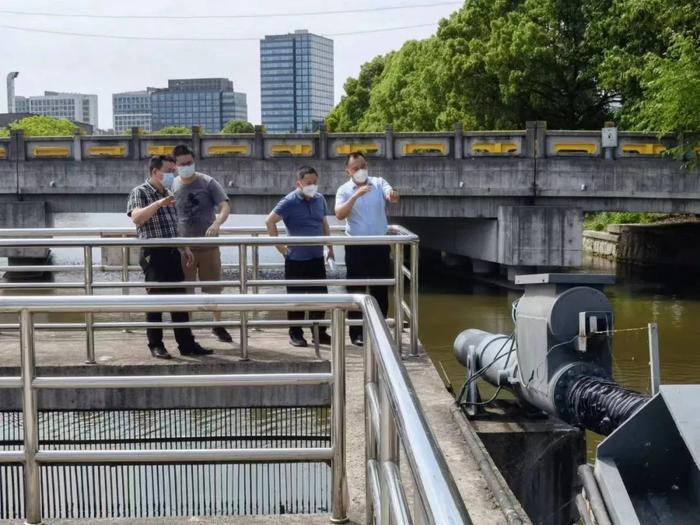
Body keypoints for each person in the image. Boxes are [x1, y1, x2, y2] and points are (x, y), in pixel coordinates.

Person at [126, 155, 213, 359]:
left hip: (173, 250)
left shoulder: (168, 192)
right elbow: (137, 218)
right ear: (156, 172)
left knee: (178, 299)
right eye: (168, 170)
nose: (172, 174)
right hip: (154, 252)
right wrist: (159, 203)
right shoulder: (140, 192)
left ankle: (186, 343)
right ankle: (156, 344)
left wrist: (185, 247)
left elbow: (174, 226)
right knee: (156, 300)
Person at [265, 166, 335, 347]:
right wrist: (280, 247)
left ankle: (319, 332)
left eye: (314, 182)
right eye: (308, 183)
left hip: (316, 257)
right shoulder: (289, 201)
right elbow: (270, 221)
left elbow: (324, 223)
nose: (312, 186)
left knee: (320, 297)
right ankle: (295, 333)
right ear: (299, 183)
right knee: (296, 298)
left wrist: (330, 247)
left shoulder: (320, 199)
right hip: (296, 259)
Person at [335, 151, 399, 346]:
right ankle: (357, 333)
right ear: (348, 171)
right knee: (356, 288)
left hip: (379, 244)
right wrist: (355, 196)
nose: (360, 171)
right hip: (356, 245)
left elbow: (391, 194)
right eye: (356, 168)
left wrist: (392, 195)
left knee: (381, 287)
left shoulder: (378, 182)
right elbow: (339, 214)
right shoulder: (344, 190)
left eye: (363, 166)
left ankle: (380, 329)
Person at [171, 144, 233, 343]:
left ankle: (217, 325)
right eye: (183, 164)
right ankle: (187, 331)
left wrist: (217, 222)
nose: (187, 166)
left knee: (214, 289)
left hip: (208, 246)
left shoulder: (208, 182)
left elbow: (225, 205)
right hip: (183, 248)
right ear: (176, 166)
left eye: (190, 162)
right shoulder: (171, 185)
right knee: (185, 291)